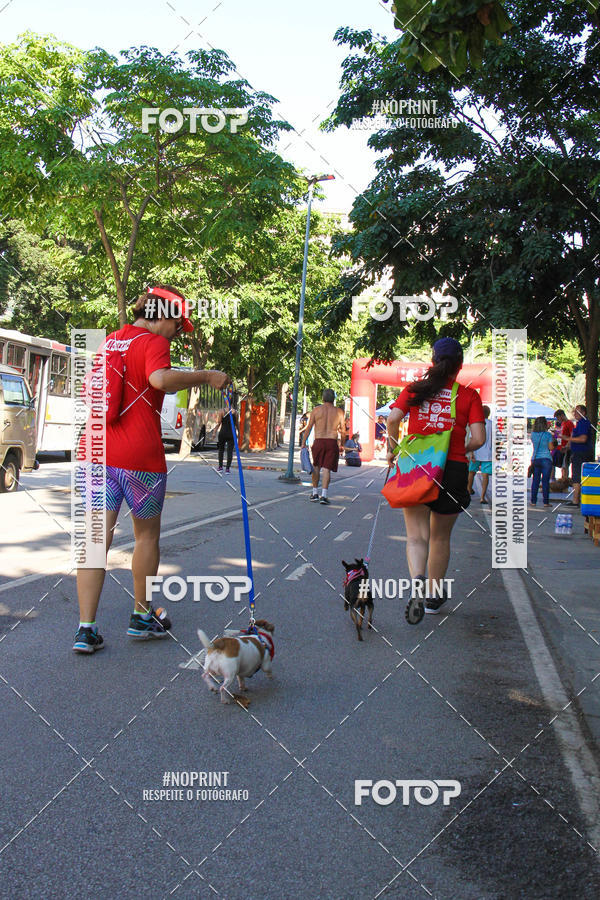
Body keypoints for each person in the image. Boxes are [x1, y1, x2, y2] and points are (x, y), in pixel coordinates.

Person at [73, 284, 231, 653]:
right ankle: (141, 616)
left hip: (96, 452)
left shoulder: (111, 340)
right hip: (139, 459)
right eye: (178, 323)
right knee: (145, 537)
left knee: (97, 539)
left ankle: (86, 629)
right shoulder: (153, 343)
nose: (178, 331)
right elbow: (159, 379)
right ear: (162, 314)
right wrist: (207, 376)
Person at [386, 337, 485, 619]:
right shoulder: (469, 396)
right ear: (460, 365)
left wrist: (393, 449)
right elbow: (479, 438)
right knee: (440, 538)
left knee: (416, 536)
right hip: (453, 470)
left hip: (416, 466)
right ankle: (432, 597)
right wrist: (457, 447)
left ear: (432, 361)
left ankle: (417, 581)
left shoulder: (415, 390)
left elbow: (392, 420)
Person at [300, 389, 346, 505]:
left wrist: (303, 442)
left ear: (322, 398)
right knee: (327, 469)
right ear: (333, 399)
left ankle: (314, 493)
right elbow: (344, 431)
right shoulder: (339, 412)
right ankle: (324, 496)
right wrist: (343, 445)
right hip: (331, 441)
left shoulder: (316, 410)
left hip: (319, 441)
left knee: (316, 466)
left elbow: (309, 427)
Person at [564, 405, 595, 507]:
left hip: (581, 453)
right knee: (578, 475)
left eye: (578, 412)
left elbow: (582, 439)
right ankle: (579, 499)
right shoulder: (579, 423)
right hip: (579, 452)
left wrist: (568, 438)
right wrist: (568, 446)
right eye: (574, 412)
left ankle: (576, 500)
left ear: (584, 413)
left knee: (577, 476)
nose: (575, 414)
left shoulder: (584, 423)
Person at [466, 405, 493, 503]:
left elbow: (472, 438)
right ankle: (482, 497)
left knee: (471, 472)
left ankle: (468, 490)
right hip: (488, 454)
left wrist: (472, 452)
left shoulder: (477, 424)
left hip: (476, 452)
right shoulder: (492, 424)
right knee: (485, 475)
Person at [529, 417, 555, 507]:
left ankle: (533, 501)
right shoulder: (548, 435)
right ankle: (546, 502)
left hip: (535, 459)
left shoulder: (533, 434)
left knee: (535, 481)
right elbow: (551, 448)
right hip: (546, 459)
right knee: (545, 481)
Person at [553, 409, 573, 480]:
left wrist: (567, 445)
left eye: (558, 417)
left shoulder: (569, 423)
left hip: (566, 448)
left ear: (562, 415)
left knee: (565, 466)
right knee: (562, 466)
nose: (558, 420)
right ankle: (563, 479)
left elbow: (572, 435)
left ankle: (565, 481)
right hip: (560, 447)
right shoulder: (563, 423)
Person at [217, 406, 238, 473]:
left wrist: (214, 432)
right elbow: (237, 424)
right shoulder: (235, 412)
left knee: (221, 450)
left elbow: (219, 422)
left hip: (223, 433)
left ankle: (220, 467)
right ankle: (227, 469)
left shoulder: (221, 411)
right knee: (230, 451)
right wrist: (239, 432)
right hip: (232, 433)